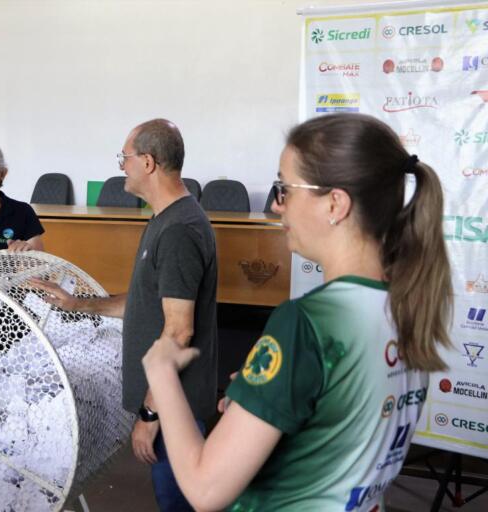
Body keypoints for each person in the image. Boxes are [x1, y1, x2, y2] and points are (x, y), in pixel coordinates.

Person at [142, 113, 453, 511]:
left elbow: (205, 489)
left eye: (286, 189)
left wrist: (162, 373)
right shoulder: (409, 305)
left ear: (335, 204)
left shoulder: (309, 321)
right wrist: (265, 395)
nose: (276, 206)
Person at [32, 119, 218, 511]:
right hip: (170, 406)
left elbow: (179, 330)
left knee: (178, 502)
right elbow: (146, 302)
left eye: (125, 157)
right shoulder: (164, 219)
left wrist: (151, 413)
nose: (122, 167)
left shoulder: (179, 230)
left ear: (148, 163)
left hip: (175, 409)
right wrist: (76, 304)